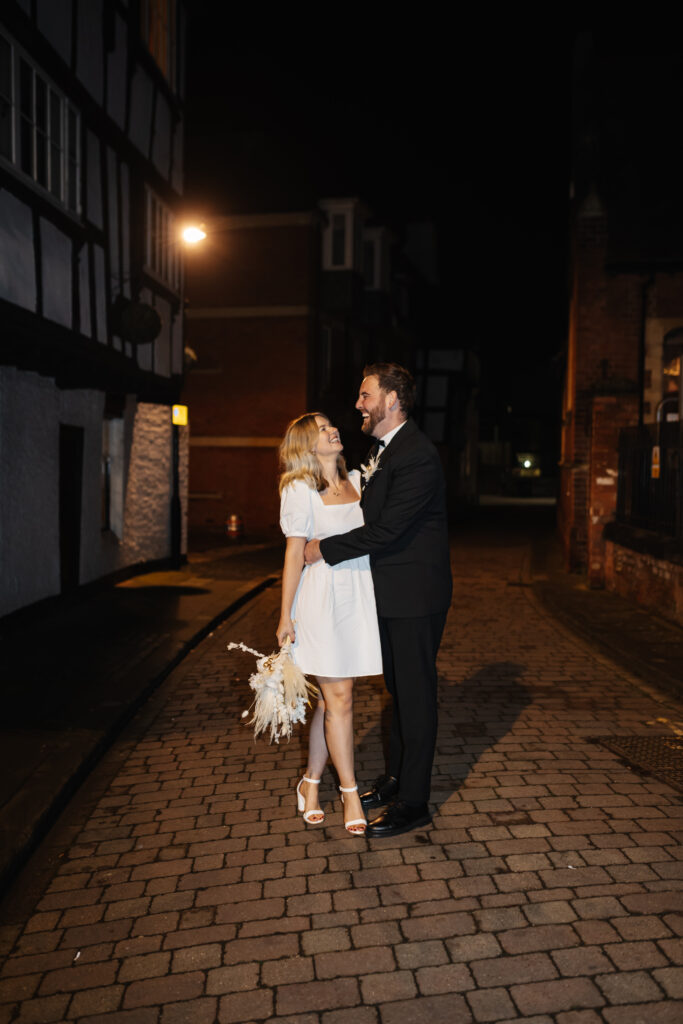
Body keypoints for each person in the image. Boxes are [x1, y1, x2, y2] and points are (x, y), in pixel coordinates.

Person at [304, 363, 452, 838]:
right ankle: (395, 780)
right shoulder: (380, 451)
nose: (358, 405)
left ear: (392, 400)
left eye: (365, 395)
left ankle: (414, 801)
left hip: (415, 594)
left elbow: (386, 531)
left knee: (416, 695)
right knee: (398, 692)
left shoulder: (418, 455)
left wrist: (323, 549)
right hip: (387, 594)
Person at [276, 412, 383, 836]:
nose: (333, 429)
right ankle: (350, 793)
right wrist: (285, 615)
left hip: (359, 598)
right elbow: (294, 553)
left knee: (329, 702)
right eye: (322, 429)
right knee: (341, 698)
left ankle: (310, 781)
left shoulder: (359, 480)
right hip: (322, 600)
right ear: (306, 444)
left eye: (331, 425)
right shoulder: (299, 489)